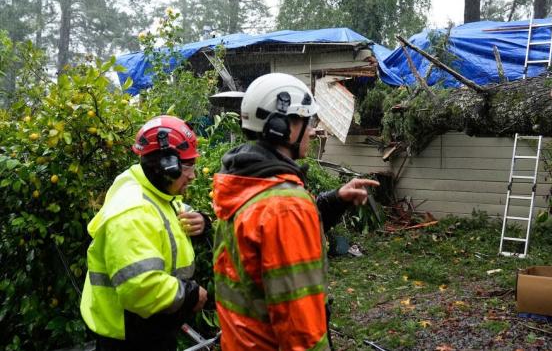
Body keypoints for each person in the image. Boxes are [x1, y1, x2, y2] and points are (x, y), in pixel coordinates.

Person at [212, 73, 379, 351]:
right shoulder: (286, 206)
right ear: (282, 126)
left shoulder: (245, 182)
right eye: (307, 121)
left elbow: (274, 245)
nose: (312, 131)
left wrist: (336, 200)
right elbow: (300, 329)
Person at [80, 115, 209, 351]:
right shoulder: (132, 210)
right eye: (188, 166)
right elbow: (140, 286)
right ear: (166, 167)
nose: (192, 175)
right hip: (131, 338)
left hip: (149, 329)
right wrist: (190, 295)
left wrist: (202, 221)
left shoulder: (153, 189)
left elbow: (171, 213)